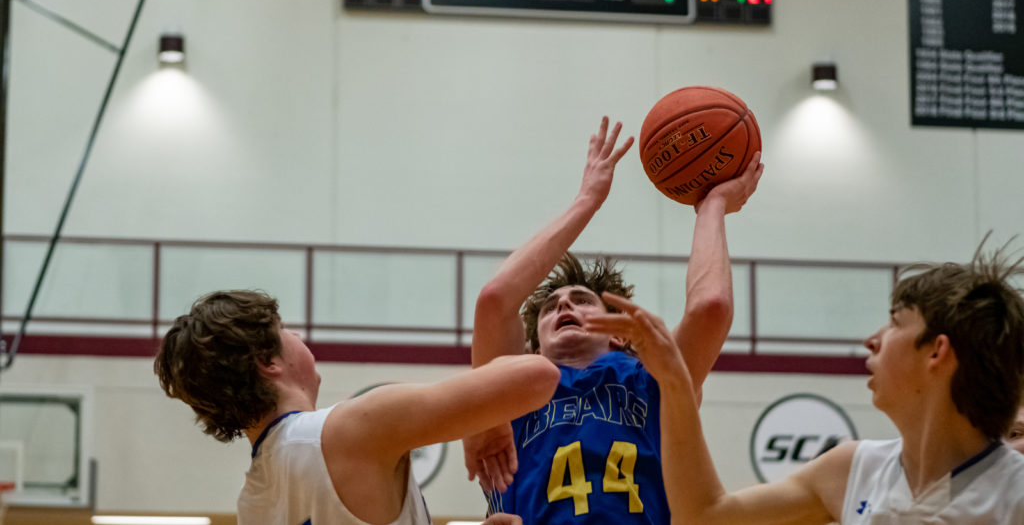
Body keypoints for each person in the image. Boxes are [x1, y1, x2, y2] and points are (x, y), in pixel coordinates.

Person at [586, 239, 1024, 524]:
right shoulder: (855, 468)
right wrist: (674, 385)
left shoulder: (1013, 491)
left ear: (937, 352)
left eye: (894, 324)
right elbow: (705, 516)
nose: (871, 340)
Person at [464, 116, 763, 524]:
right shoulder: (513, 390)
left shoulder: (652, 381)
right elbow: (495, 300)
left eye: (582, 301)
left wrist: (711, 207)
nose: (564, 307)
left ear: (621, 336)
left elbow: (710, 308)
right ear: (533, 345)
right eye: (551, 308)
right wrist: (586, 200)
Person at [155, 289, 560, 525]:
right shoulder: (351, 427)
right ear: (269, 362)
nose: (295, 333)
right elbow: (538, 376)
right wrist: (483, 420)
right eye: (283, 330)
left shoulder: (252, 502)